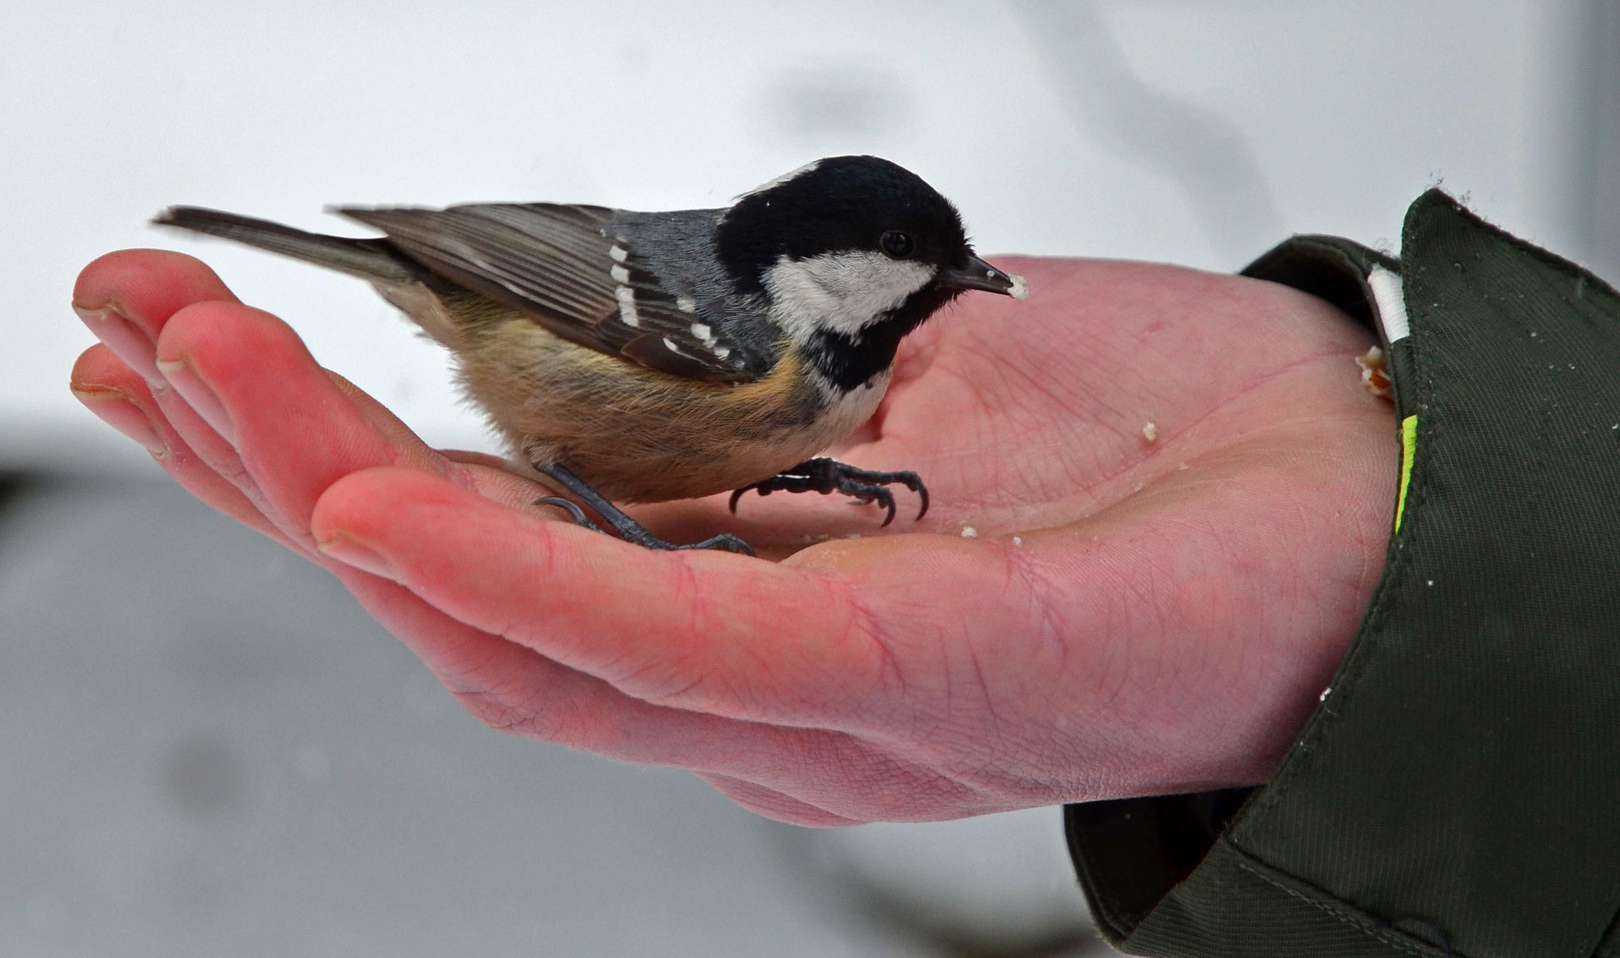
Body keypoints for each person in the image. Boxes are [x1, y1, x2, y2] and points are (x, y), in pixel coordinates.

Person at [69, 189, 1620, 955]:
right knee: (560, 490)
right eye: (919, 269)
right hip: (529, 337)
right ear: (828, 271)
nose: (948, 294)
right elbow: (569, 323)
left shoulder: (835, 366)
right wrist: (602, 510)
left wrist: (793, 473)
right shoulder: (749, 330)